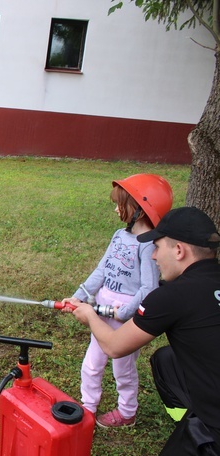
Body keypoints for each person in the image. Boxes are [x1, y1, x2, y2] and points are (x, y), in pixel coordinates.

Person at [67, 206, 220, 456]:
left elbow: (113, 346)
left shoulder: (172, 296)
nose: (152, 256)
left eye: (157, 247)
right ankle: (187, 427)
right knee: (166, 360)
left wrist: (90, 316)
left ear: (179, 251)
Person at [62, 174, 173, 428]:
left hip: (123, 319)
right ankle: (88, 407)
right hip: (101, 314)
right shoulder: (118, 235)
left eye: (120, 204)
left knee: (122, 370)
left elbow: (149, 287)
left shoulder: (148, 246)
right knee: (92, 364)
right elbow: (102, 270)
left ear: (139, 209)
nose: (115, 208)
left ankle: (127, 412)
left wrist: (126, 312)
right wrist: (80, 294)